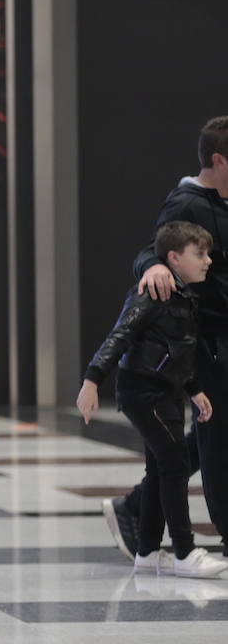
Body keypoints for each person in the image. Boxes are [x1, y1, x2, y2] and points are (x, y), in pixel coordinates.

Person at [106, 115, 228, 560]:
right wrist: (154, 267)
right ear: (218, 159)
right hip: (208, 343)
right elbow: (150, 248)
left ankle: (137, 504)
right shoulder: (187, 202)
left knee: (198, 442)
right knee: (215, 437)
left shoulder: (221, 200)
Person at [79, 223, 228, 577]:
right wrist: (92, 380)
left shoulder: (186, 296)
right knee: (175, 466)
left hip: (168, 391)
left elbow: (181, 351)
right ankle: (184, 552)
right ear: (174, 258)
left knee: (160, 468)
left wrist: (194, 390)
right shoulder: (152, 293)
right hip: (144, 392)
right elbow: (120, 335)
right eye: (200, 254)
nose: (208, 261)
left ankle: (146, 552)